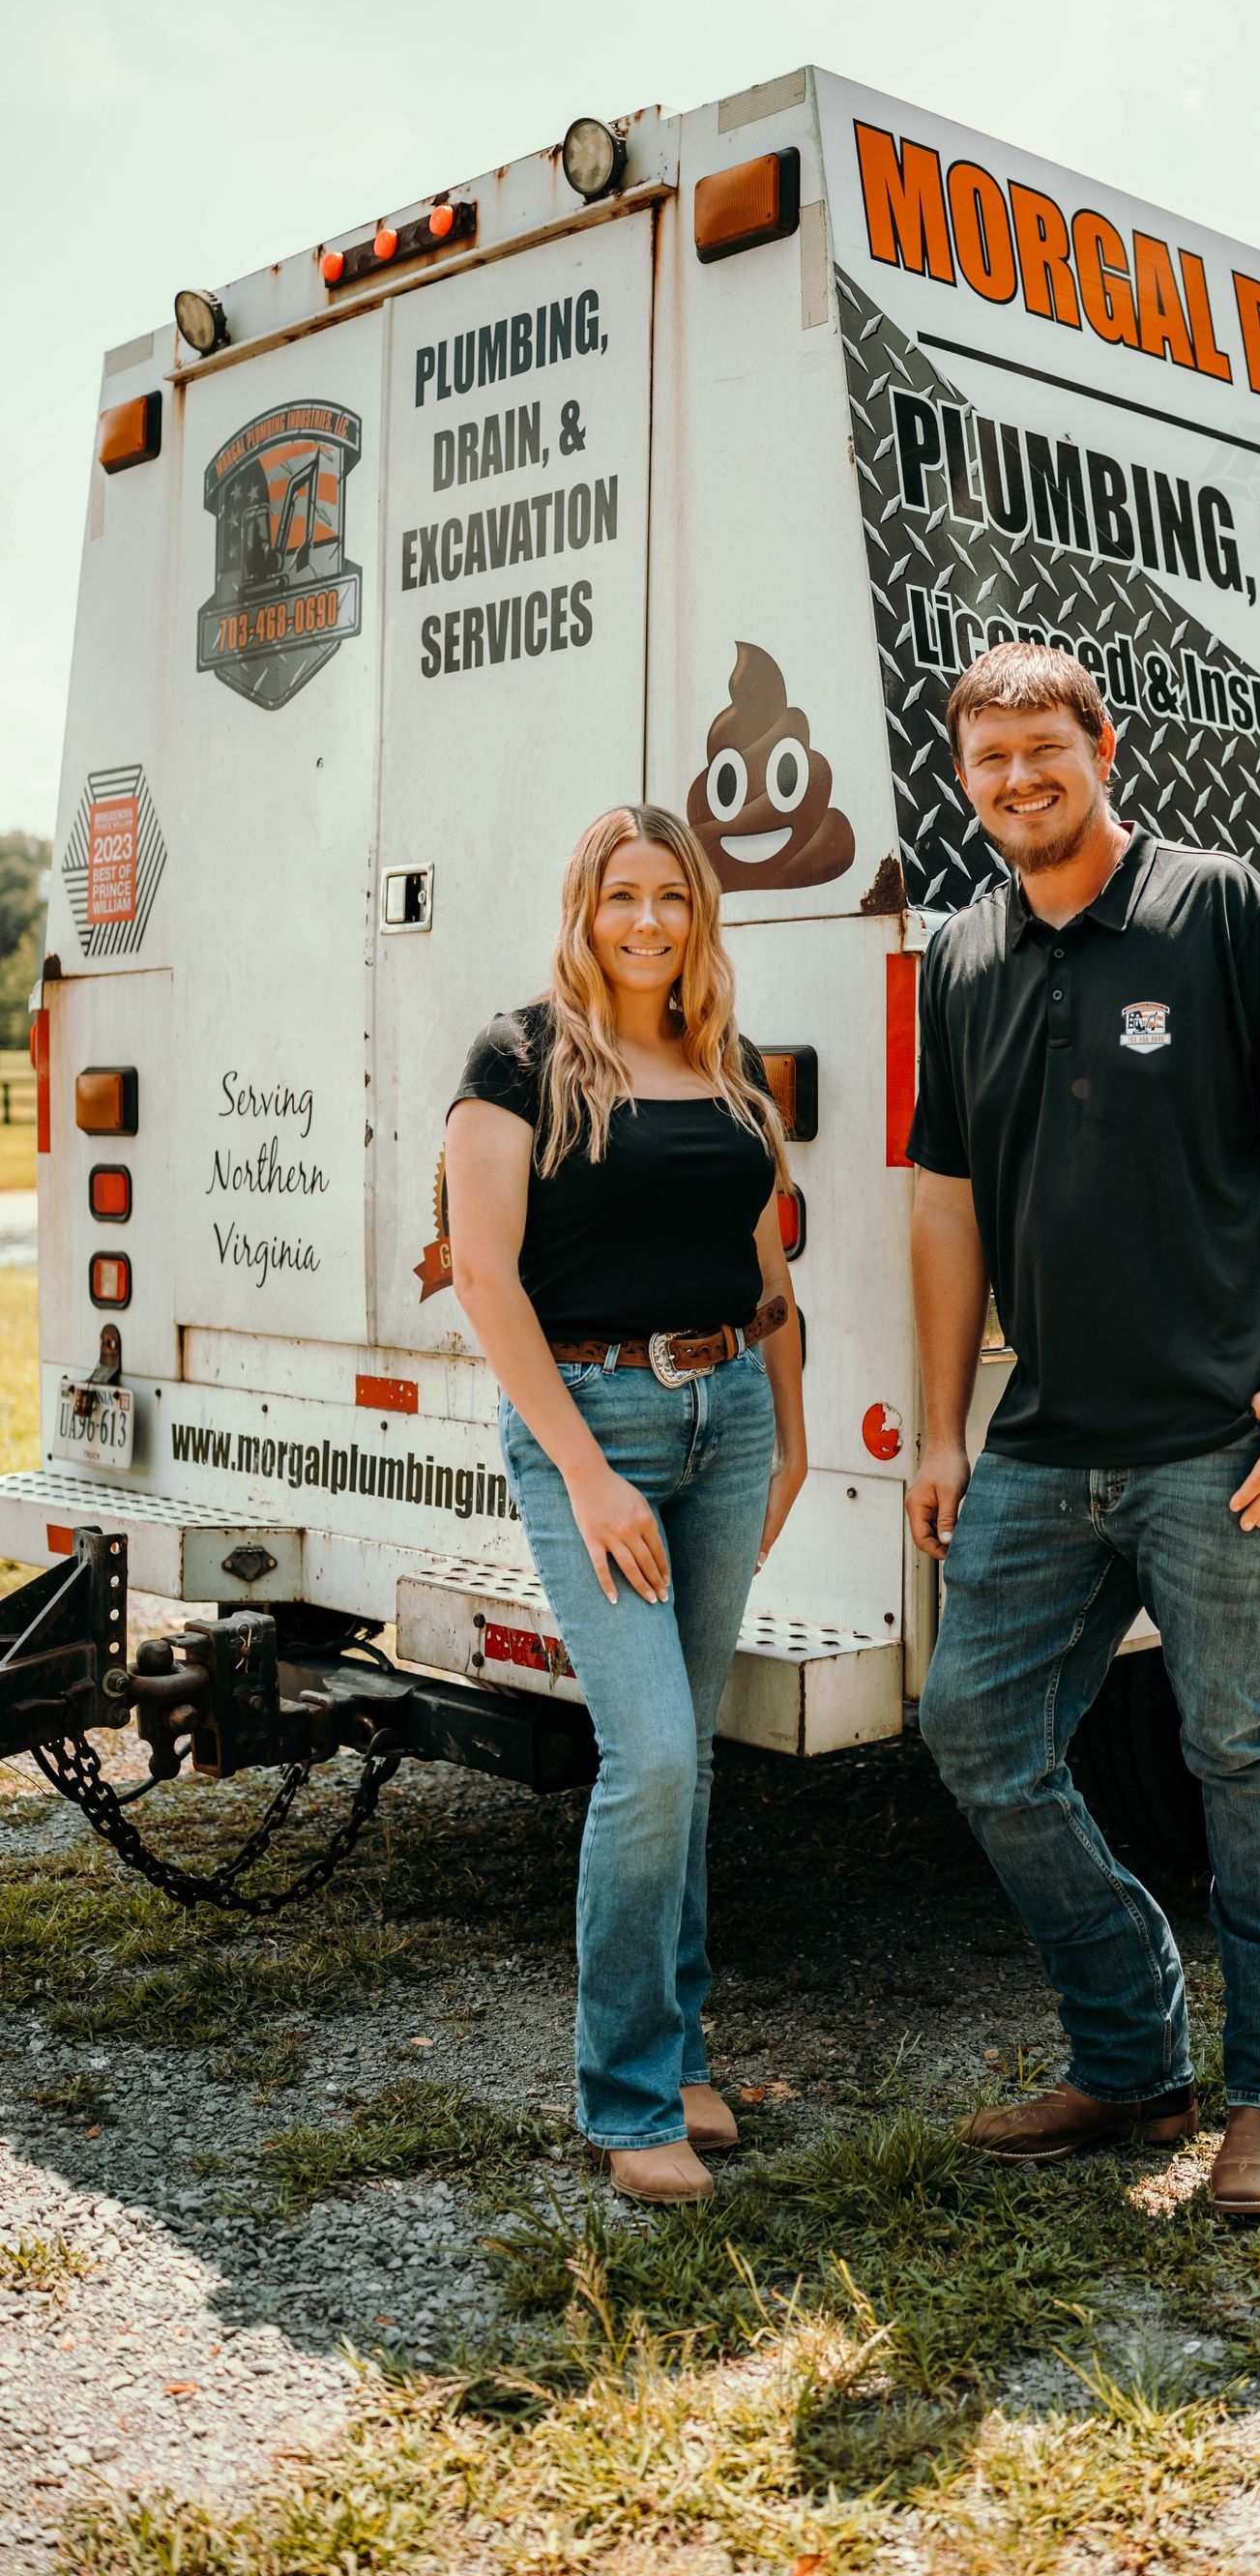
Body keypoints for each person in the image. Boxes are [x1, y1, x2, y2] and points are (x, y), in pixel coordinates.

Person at [904, 646, 1260, 2216]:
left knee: (1240, 1751)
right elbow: (946, 1199)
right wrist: (945, 1426)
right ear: (960, 775)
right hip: (1042, 1440)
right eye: (989, 761)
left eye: (1046, 751)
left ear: (1104, 747)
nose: (1018, 782)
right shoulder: (961, 954)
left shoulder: (1216, 907)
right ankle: (1128, 2054)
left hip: (1213, 1445)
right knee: (975, 1730)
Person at [446, 805, 806, 2206]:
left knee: (692, 1754)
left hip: (731, 1420)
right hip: (594, 1425)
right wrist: (588, 1474)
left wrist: (791, 1437)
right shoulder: (521, 1058)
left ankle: (680, 2044)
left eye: (670, 898)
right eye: (621, 899)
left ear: (697, 915)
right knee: (649, 1754)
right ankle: (628, 2097)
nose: (646, 922)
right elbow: (488, 1278)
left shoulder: (727, 1064)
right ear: (585, 911)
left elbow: (766, 1263)